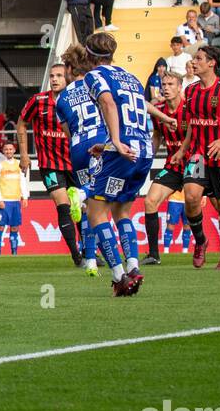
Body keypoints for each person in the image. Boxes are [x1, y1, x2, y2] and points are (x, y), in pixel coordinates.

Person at [54, 35, 155, 295]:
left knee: (96, 213)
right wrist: (109, 144)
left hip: (122, 149)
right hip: (143, 150)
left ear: (89, 55)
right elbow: (139, 109)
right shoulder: (131, 76)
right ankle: (133, 266)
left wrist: (117, 142)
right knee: (122, 211)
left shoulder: (93, 76)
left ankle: (120, 278)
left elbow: (108, 103)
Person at [167, 45, 220, 270]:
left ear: (212, 63)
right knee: (192, 197)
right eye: (195, 58)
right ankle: (200, 241)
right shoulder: (192, 90)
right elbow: (192, 127)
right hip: (198, 155)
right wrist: (182, 150)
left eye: (199, 58)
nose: (194, 62)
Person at [17, 63, 83, 265]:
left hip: (75, 162)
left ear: (67, 79)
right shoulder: (38, 101)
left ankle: (90, 252)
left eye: (59, 76)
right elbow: (21, 123)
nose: (54, 79)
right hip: (50, 164)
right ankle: (76, 256)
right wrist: (24, 155)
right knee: (64, 208)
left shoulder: (75, 100)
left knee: (81, 209)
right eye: (52, 76)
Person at [143, 71, 187, 265]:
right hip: (173, 165)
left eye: (171, 84)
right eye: (164, 84)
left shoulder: (190, 109)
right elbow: (157, 136)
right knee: (150, 201)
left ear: (180, 87)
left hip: (196, 165)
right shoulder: (158, 110)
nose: (166, 88)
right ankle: (154, 254)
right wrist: (148, 156)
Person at [0, 143, 29, 256]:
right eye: (6, 149)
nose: (8, 151)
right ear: (3, 151)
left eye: (10, 149)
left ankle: (14, 253)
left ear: (14, 150)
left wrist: (25, 197)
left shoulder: (19, 164)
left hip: (15, 200)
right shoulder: (0, 164)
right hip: (4, 200)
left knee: (14, 227)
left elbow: (23, 181)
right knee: (0, 226)